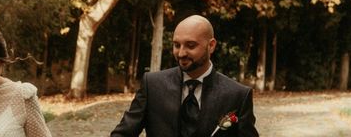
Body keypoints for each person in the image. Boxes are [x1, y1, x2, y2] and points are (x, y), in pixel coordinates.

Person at [111, 15, 259, 137]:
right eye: (176, 45)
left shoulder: (238, 95)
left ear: (211, 45)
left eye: (191, 45)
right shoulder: (152, 85)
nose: (181, 53)